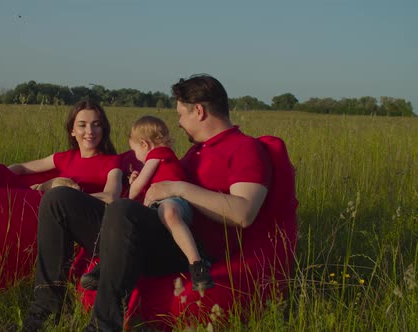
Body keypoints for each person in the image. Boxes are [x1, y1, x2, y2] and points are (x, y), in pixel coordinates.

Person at [24, 74, 276, 331]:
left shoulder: (245, 148)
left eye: (180, 114)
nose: (178, 123)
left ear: (198, 111)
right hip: (149, 230)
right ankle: (41, 318)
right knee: (58, 200)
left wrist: (178, 188)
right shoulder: (196, 151)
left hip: (184, 247)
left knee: (123, 209)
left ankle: (103, 327)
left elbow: (244, 212)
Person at [79, 115, 213, 292]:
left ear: (144, 145)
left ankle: (198, 264)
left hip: (175, 201)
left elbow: (135, 191)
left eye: (135, 151)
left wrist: (135, 185)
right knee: (134, 226)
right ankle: (108, 265)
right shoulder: (162, 160)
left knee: (167, 211)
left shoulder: (159, 153)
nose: (137, 157)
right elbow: (148, 192)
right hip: (160, 205)